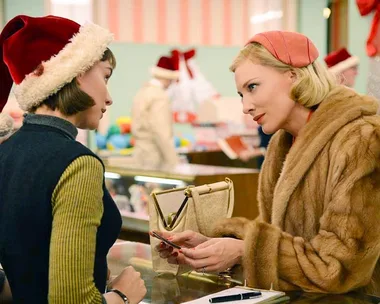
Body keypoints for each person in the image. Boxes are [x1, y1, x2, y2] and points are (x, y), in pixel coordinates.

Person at [154, 31, 380, 296]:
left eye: (252, 87)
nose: (245, 106)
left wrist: (244, 249)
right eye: (240, 94)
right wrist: (219, 246)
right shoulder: (283, 142)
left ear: (293, 75)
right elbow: (279, 236)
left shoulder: (362, 140)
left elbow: (338, 268)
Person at [0, 15, 146, 303]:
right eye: (105, 76)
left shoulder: (7, 151)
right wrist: (123, 295)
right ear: (78, 72)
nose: (109, 97)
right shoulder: (77, 163)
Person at [131, 55, 180, 169]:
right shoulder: (160, 96)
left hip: (140, 153)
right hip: (154, 156)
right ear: (168, 78)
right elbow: (161, 132)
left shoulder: (142, 92)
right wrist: (174, 162)